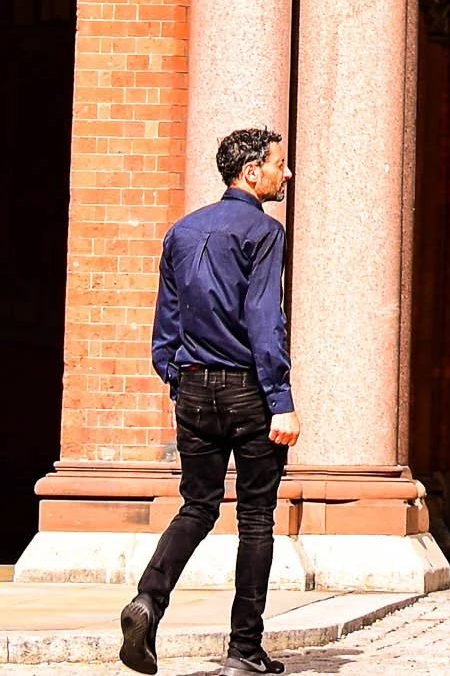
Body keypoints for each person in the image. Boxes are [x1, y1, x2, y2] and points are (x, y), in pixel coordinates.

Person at [120, 128, 301, 676]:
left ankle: (148, 601)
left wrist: (177, 377)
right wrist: (281, 399)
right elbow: (265, 320)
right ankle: (244, 651)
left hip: (194, 389)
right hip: (247, 389)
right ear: (251, 173)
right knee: (255, 521)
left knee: (197, 506)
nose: (285, 174)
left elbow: (165, 322)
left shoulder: (181, 230)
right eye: (278, 165)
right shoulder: (264, 232)